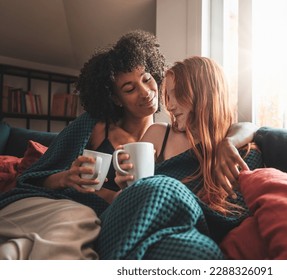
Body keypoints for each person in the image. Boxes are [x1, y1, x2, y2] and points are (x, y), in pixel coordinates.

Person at [0, 30, 258, 260]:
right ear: (116, 98)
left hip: (135, 221)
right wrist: (68, 178)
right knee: (78, 221)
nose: (146, 92)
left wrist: (128, 188)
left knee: (201, 251)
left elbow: (246, 130)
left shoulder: (168, 132)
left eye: (147, 79)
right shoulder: (97, 126)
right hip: (76, 210)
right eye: (129, 88)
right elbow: (36, 175)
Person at [113, 56, 262, 244]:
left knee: (201, 251)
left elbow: (233, 219)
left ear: (205, 93)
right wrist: (126, 187)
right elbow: (137, 195)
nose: (171, 105)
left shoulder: (241, 152)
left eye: (178, 94)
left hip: (188, 236)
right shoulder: (159, 134)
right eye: (168, 95)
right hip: (145, 229)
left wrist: (228, 143)